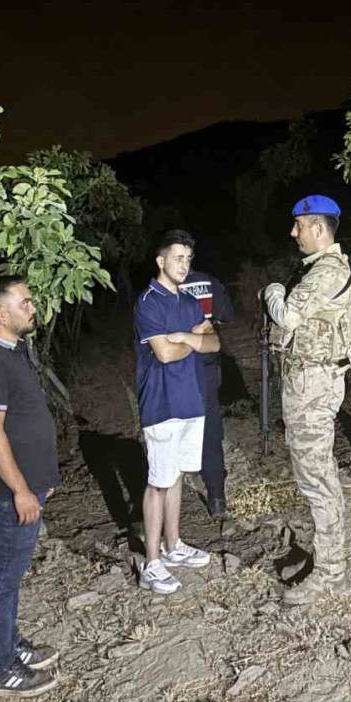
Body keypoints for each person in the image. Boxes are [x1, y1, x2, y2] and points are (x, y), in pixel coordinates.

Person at [262, 195, 351, 607]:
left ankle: (329, 575)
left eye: (298, 225)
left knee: (317, 479)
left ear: (318, 229)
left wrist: (270, 291)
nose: (293, 233)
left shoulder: (325, 272)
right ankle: (328, 562)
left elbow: (286, 317)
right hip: (314, 381)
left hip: (312, 385)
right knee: (318, 474)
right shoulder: (330, 269)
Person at [0, 275, 61, 698]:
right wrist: (22, 490)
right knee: (1, 580)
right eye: (24, 302)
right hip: (10, 495)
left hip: (28, 487)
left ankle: (12, 646)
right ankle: (3, 670)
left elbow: (27, 421)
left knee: (12, 576)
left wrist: (42, 481)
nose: (32, 308)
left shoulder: (15, 353)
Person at [134, 230, 219, 594]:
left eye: (188, 259)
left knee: (178, 475)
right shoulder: (148, 302)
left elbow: (213, 342)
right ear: (161, 260)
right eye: (178, 258)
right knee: (159, 480)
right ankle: (152, 561)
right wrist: (191, 339)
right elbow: (163, 354)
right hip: (161, 402)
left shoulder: (189, 301)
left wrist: (183, 337)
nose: (184, 265)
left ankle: (174, 545)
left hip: (190, 399)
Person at [179, 257, 235, 518]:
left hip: (175, 367)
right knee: (210, 430)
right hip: (206, 365)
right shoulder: (209, 282)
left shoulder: (164, 287)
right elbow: (226, 315)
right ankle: (216, 498)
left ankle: (171, 508)